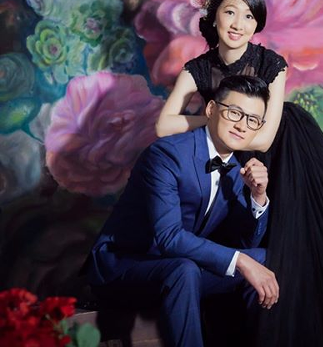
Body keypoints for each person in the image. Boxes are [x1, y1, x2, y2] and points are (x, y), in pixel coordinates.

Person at [155, 0, 323, 346]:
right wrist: (215, 118)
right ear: (214, 16)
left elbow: (264, 138)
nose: (238, 24)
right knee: (239, 251)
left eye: (249, 16)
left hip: (285, 153)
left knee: (293, 247)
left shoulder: (271, 64)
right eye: (230, 12)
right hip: (233, 157)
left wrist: (226, 120)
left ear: (257, 24)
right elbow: (163, 126)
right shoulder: (198, 69)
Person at [85, 75, 279, 347]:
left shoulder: (237, 170)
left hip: (180, 268)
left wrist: (258, 196)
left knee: (265, 258)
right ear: (211, 109)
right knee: (185, 269)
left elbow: (245, 244)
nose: (242, 125)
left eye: (252, 120)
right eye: (235, 112)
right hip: (125, 267)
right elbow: (169, 238)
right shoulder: (166, 155)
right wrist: (242, 261)